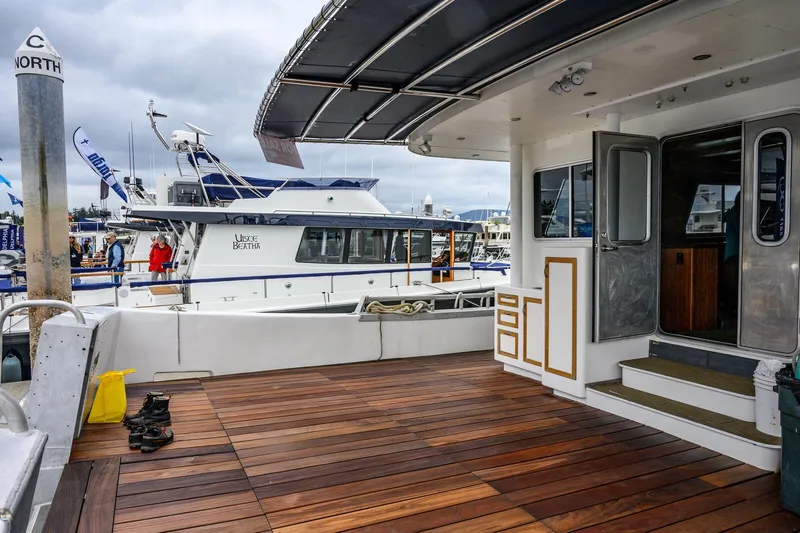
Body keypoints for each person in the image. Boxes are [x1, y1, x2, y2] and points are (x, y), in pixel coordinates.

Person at [721, 192, 740, 329]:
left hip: (730, 255)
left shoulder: (732, 212)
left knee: (731, 287)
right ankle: (734, 316)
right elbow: (744, 233)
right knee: (735, 288)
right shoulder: (739, 213)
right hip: (736, 256)